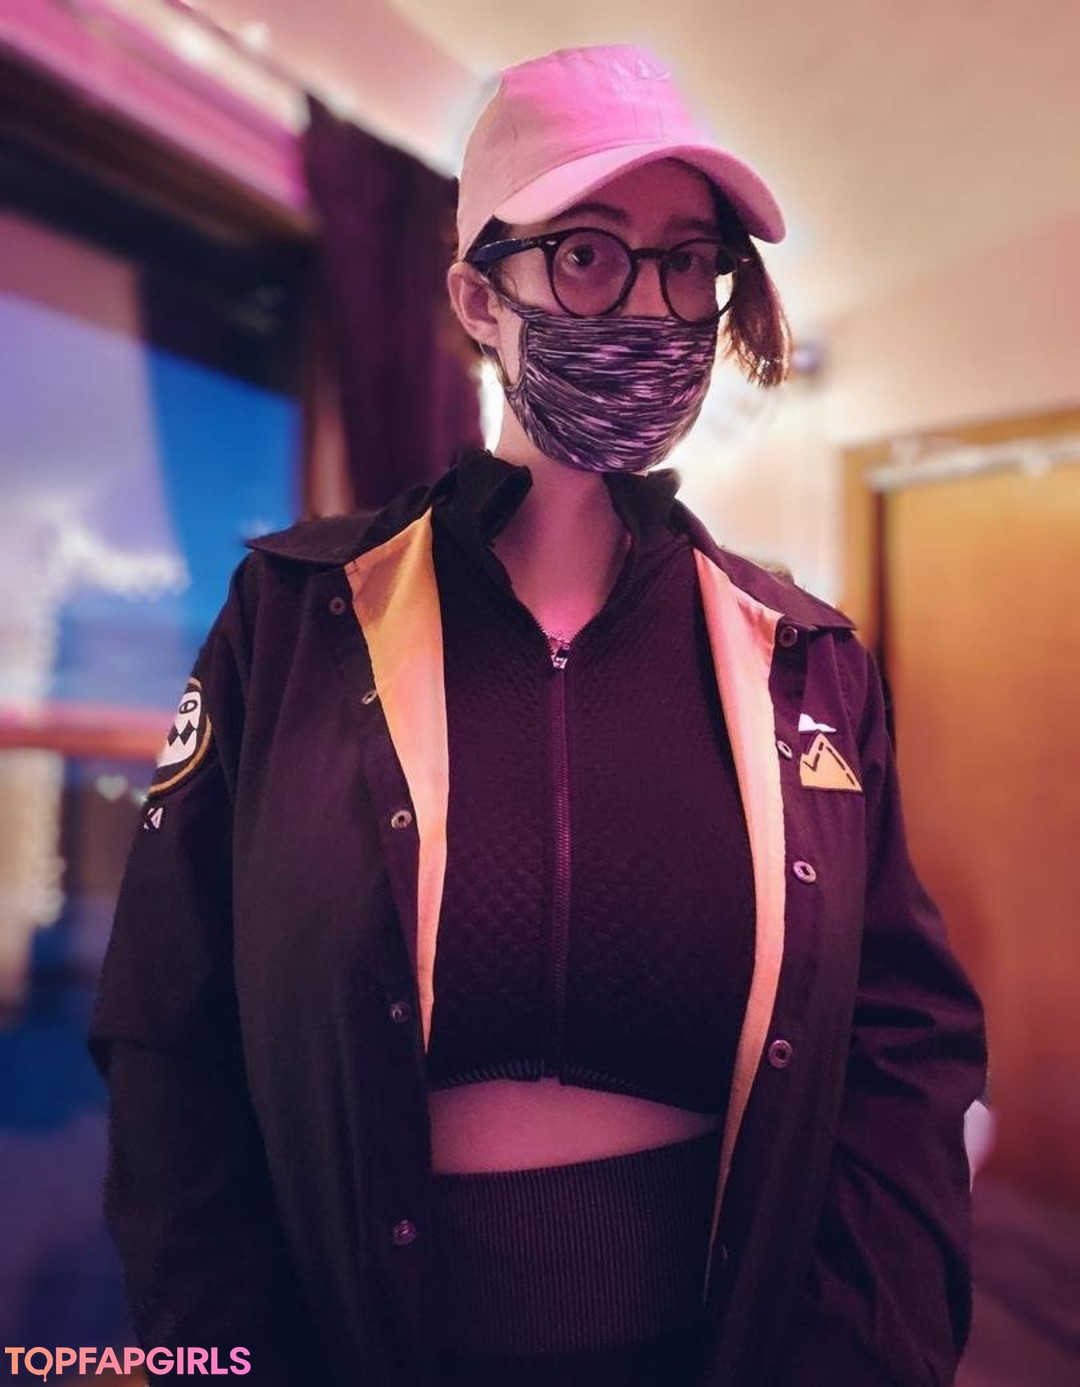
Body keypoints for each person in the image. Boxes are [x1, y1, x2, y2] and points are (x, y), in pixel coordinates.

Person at [88, 44, 988, 1387]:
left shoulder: (805, 660)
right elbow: (171, 1027)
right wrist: (221, 1352)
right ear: (477, 296)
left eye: (690, 261)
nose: (652, 304)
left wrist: (866, 1349)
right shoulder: (298, 618)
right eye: (586, 255)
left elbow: (901, 1048)